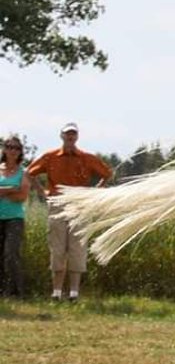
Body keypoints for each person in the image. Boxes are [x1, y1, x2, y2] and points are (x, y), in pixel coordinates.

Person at [26, 122, 113, 301]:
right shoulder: (50, 157)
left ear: (77, 137)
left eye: (73, 134)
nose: (70, 137)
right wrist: (42, 192)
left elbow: (107, 174)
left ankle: (74, 293)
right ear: (62, 136)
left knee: (77, 248)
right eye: (67, 134)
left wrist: (94, 193)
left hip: (79, 204)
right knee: (57, 247)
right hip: (57, 203)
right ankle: (56, 292)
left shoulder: (87, 158)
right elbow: (29, 173)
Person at [0, 135, 31, 298]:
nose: (13, 151)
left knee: (11, 254)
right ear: (4, 149)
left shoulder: (23, 172)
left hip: (14, 219)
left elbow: (22, 196)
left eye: (16, 148)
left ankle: (15, 292)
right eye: (9, 147)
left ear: (20, 152)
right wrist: (12, 188)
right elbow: (16, 192)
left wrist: (3, 191)